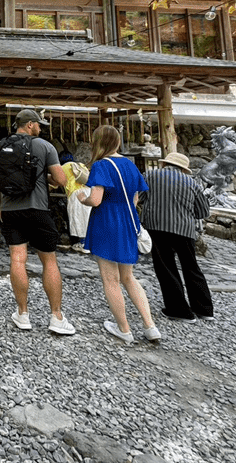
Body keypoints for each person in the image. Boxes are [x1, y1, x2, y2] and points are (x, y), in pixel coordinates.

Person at [0, 109, 75, 336]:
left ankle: (23, 314)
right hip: (38, 208)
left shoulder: (0, 147)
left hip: (10, 209)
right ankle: (56, 317)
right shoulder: (44, 146)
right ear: (29, 125)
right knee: (49, 261)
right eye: (38, 124)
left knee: (17, 259)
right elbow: (60, 179)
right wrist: (45, 177)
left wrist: (0, 207)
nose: (40, 128)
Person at [77, 125, 160, 344]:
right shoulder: (130, 165)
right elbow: (135, 199)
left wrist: (82, 198)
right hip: (127, 221)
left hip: (107, 222)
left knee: (110, 279)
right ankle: (150, 325)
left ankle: (124, 328)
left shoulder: (101, 165)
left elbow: (96, 199)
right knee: (128, 277)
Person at [141, 152, 214, 322]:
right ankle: (204, 310)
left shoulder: (150, 176)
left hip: (157, 227)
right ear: (183, 168)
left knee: (166, 268)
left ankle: (179, 310)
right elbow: (203, 212)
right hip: (185, 230)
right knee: (191, 268)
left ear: (165, 164)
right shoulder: (192, 183)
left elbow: (141, 198)